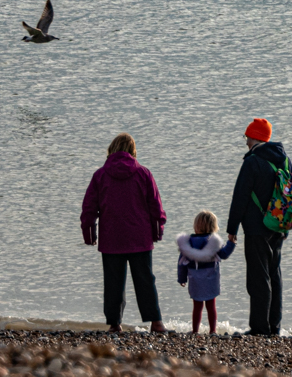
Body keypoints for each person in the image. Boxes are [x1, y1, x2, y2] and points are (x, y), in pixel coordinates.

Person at [81, 133, 168, 333]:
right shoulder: (144, 173)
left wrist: (89, 234)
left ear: (111, 149)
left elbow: (89, 208)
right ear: (133, 151)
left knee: (113, 283)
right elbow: (156, 207)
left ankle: (114, 324)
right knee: (145, 280)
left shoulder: (100, 175)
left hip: (112, 238)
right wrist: (157, 232)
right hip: (140, 237)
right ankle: (156, 323)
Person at [226, 118, 292, 336]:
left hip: (257, 227)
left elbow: (240, 197)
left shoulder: (252, 162)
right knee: (275, 274)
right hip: (279, 224)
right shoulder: (284, 160)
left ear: (254, 136)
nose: (245, 142)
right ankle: (275, 326)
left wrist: (232, 228)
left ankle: (259, 327)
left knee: (258, 277)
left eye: (246, 137)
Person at [176, 210, 236, 334]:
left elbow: (181, 263)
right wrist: (231, 242)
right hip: (211, 278)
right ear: (213, 227)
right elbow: (224, 254)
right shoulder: (213, 243)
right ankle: (213, 330)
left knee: (197, 307)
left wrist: (182, 279)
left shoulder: (188, 244)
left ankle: (195, 330)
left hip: (195, 280)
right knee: (211, 306)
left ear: (196, 226)